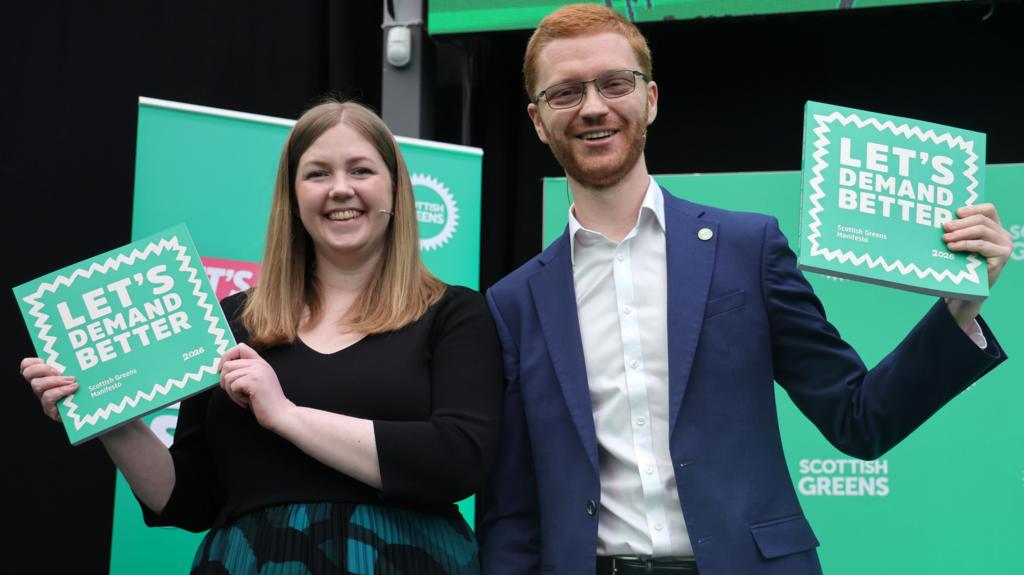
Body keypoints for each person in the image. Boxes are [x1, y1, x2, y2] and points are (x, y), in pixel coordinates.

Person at [478, 4, 1011, 575]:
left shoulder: (747, 248)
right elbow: (510, 513)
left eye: (615, 83)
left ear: (650, 99)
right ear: (537, 120)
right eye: (565, 93)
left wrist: (958, 308)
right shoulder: (512, 304)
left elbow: (860, 418)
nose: (593, 107)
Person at [22, 100, 503, 574]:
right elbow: (191, 500)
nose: (340, 189)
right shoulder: (231, 320)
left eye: (361, 171)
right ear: (292, 200)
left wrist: (287, 416)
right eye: (317, 174)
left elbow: (458, 458)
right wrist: (109, 417)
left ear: (396, 191)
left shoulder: (454, 313)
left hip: (407, 559)